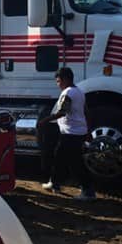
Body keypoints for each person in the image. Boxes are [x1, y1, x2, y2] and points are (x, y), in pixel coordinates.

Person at [38, 67, 95, 201]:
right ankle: (54, 183)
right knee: (59, 158)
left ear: (65, 79)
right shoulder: (80, 92)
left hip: (71, 133)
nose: (58, 84)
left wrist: (45, 120)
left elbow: (62, 112)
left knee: (75, 163)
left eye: (58, 81)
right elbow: (86, 112)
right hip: (77, 131)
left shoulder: (68, 93)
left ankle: (88, 192)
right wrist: (88, 130)